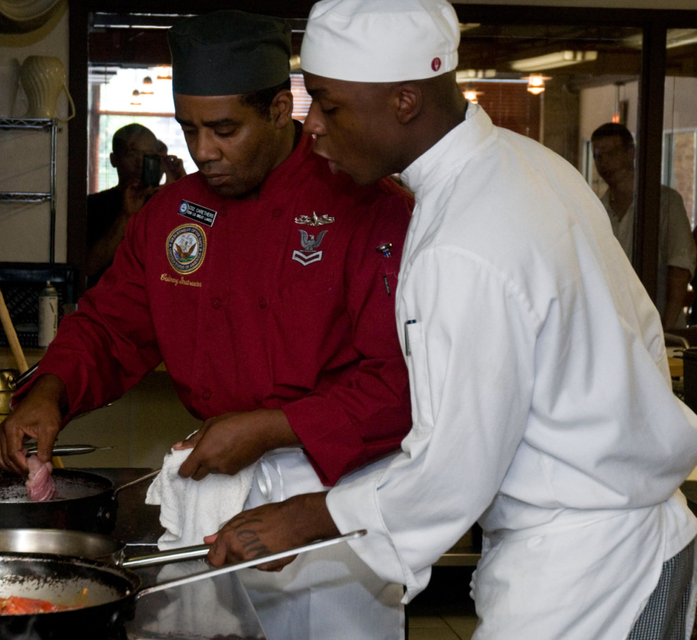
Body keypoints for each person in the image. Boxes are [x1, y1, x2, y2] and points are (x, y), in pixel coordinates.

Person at [205, 1, 697, 639]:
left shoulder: (464, 242)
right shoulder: (527, 165)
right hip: (631, 531)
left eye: (329, 105)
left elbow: (451, 469)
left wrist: (306, 516)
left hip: (588, 575)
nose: (312, 128)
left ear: (404, 101)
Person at [0, 10, 414, 640]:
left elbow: (403, 381)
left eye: (224, 129)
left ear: (280, 109)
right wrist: (50, 392)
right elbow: (110, 327)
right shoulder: (172, 216)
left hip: (335, 497)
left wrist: (275, 426)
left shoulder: (369, 207)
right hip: (216, 487)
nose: (203, 152)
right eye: (189, 128)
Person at [591, 122, 696, 330]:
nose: (605, 164)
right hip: (615, 328)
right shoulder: (596, 208)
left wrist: (664, 333)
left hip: (658, 327)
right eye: (598, 157)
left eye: (611, 154)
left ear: (631, 152)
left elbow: (679, 272)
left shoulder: (665, 203)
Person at [86, 124, 186, 287]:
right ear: (114, 160)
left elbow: (190, 251)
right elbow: (90, 266)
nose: (140, 163)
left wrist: (180, 188)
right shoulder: (95, 204)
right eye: (131, 154)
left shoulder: (165, 201)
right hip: (110, 300)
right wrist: (126, 216)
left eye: (148, 156)